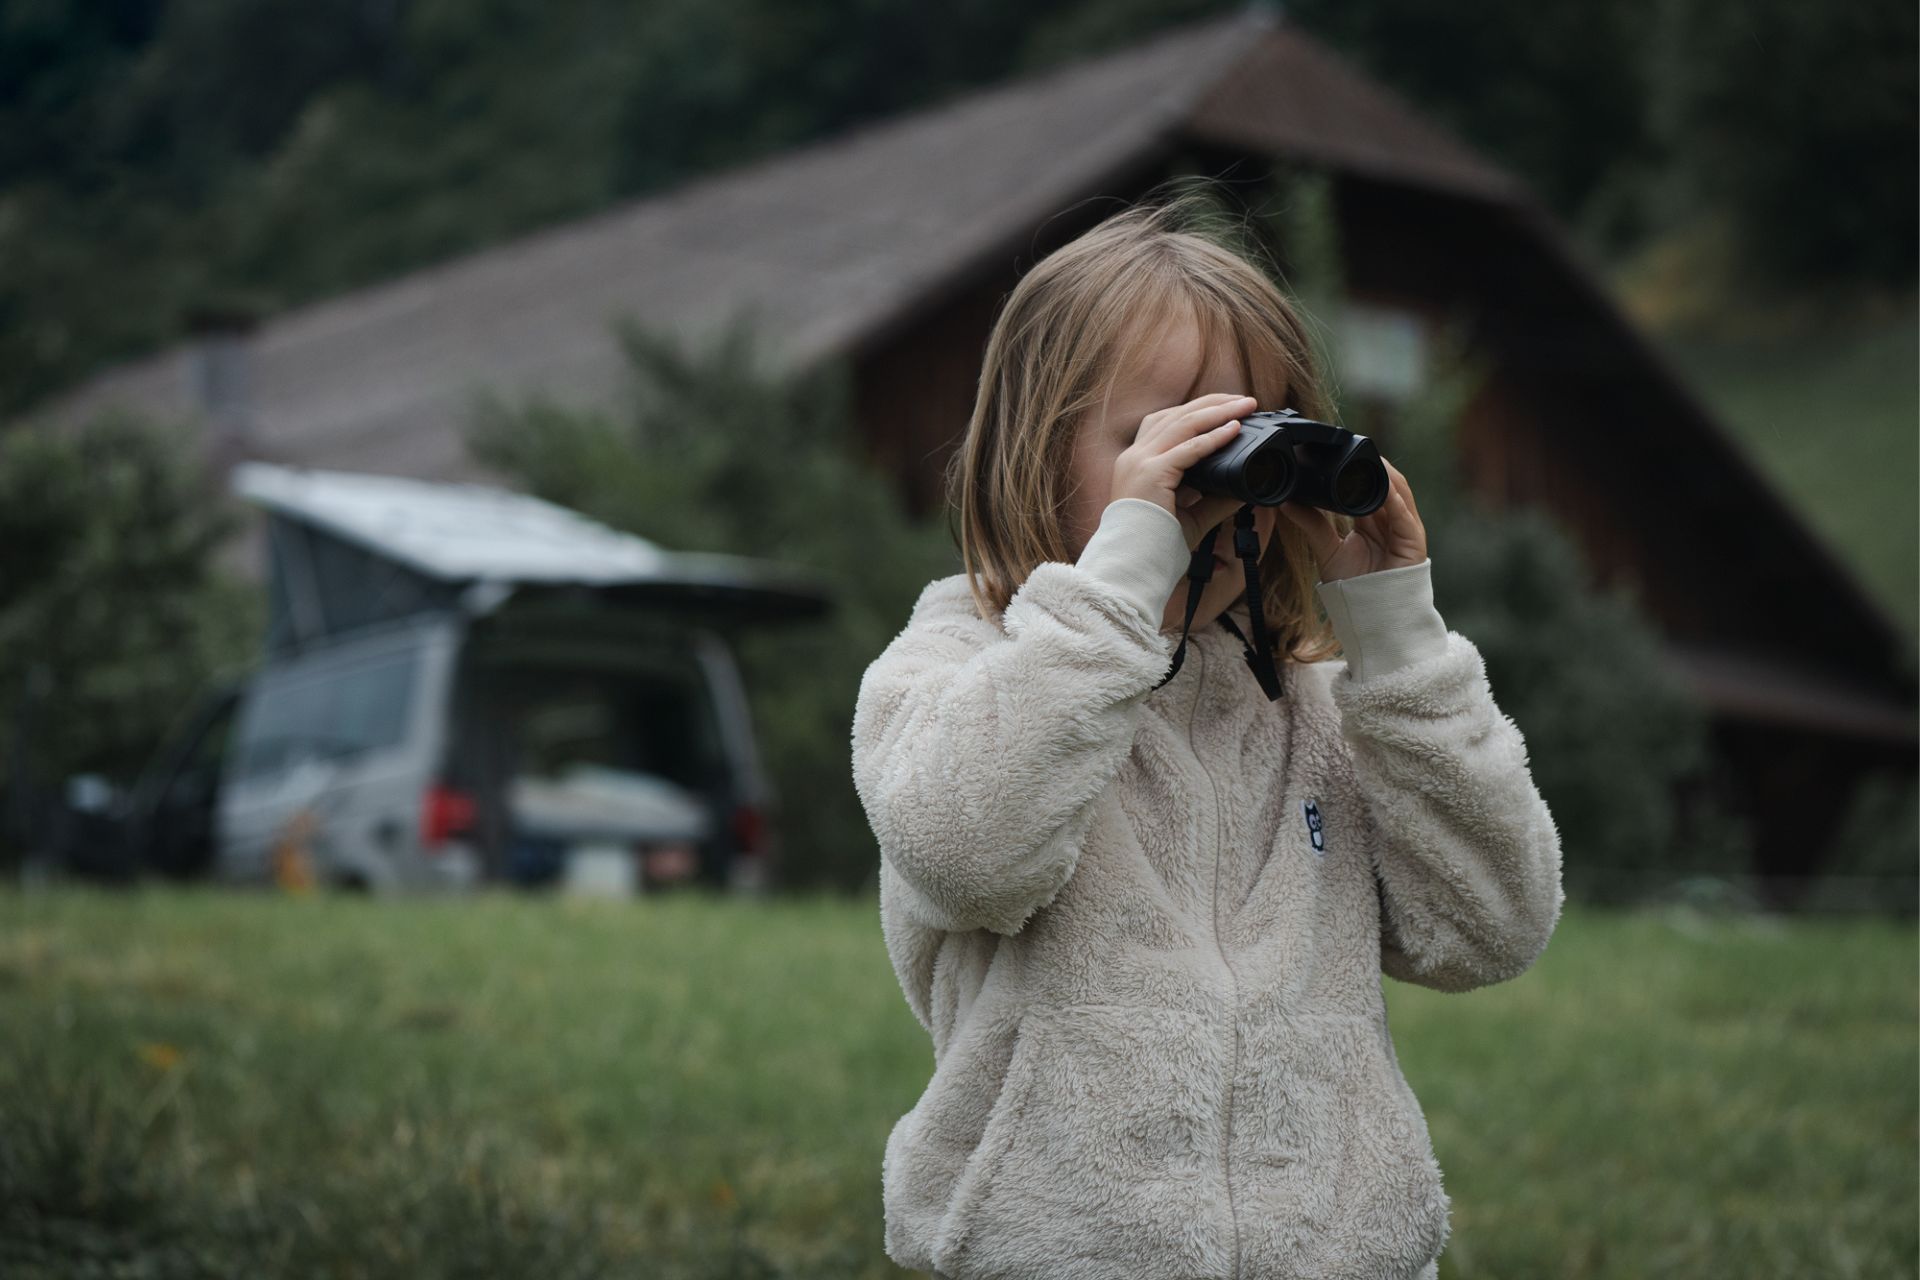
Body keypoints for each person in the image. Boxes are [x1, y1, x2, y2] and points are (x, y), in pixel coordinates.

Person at [850, 188, 1566, 1280]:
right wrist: (1121, 581)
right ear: (1036, 454)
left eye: (1250, 442)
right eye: (1157, 441)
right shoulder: (962, 669)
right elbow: (968, 849)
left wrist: (1400, 638)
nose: (1205, 484)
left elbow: (1492, 925)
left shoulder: (1321, 707)